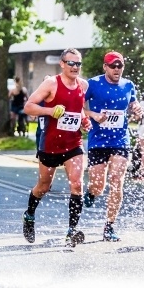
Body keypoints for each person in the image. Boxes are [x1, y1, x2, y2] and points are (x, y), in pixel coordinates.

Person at [22, 48, 91, 247]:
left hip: (73, 143)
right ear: (62, 64)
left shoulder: (83, 85)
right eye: (71, 63)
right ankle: (29, 215)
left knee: (77, 185)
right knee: (44, 186)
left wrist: (85, 121)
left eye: (78, 63)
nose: (75, 67)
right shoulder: (51, 83)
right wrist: (50, 111)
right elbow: (29, 107)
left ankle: (71, 231)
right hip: (50, 145)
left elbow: (77, 108)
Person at [82, 51, 143, 242]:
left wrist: (137, 108)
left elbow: (133, 103)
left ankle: (109, 225)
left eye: (120, 66)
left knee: (117, 179)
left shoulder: (128, 85)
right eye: (113, 66)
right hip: (98, 140)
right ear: (105, 67)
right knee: (98, 185)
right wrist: (93, 115)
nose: (117, 69)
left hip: (120, 140)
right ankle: (91, 193)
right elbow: (80, 105)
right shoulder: (92, 83)